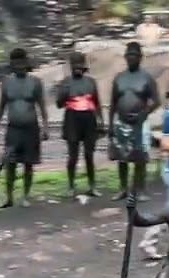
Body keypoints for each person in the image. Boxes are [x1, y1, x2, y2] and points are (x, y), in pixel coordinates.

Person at [0, 48, 49, 208]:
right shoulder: (6, 82)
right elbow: (1, 105)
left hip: (31, 127)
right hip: (13, 129)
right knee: (10, 163)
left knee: (28, 163)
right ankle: (9, 197)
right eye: (16, 63)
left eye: (22, 62)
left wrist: (45, 127)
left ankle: (25, 195)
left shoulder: (35, 82)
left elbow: (42, 105)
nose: (19, 66)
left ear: (26, 63)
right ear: (12, 64)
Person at [109, 42, 160, 201]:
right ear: (125, 57)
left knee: (140, 157)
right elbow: (113, 103)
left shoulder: (146, 78)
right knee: (121, 158)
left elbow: (156, 101)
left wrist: (144, 113)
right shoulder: (119, 78)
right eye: (129, 55)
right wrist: (110, 124)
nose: (131, 58)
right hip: (121, 122)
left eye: (134, 55)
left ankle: (141, 189)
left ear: (140, 58)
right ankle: (123, 189)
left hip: (139, 121)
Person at [54, 51, 103, 197]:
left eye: (80, 65)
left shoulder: (90, 82)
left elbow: (97, 103)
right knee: (73, 156)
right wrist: (64, 93)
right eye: (75, 65)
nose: (77, 68)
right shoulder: (66, 82)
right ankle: (70, 186)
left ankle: (92, 186)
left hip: (89, 119)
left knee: (89, 155)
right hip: (72, 119)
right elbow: (58, 104)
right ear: (71, 66)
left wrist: (101, 121)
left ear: (84, 66)